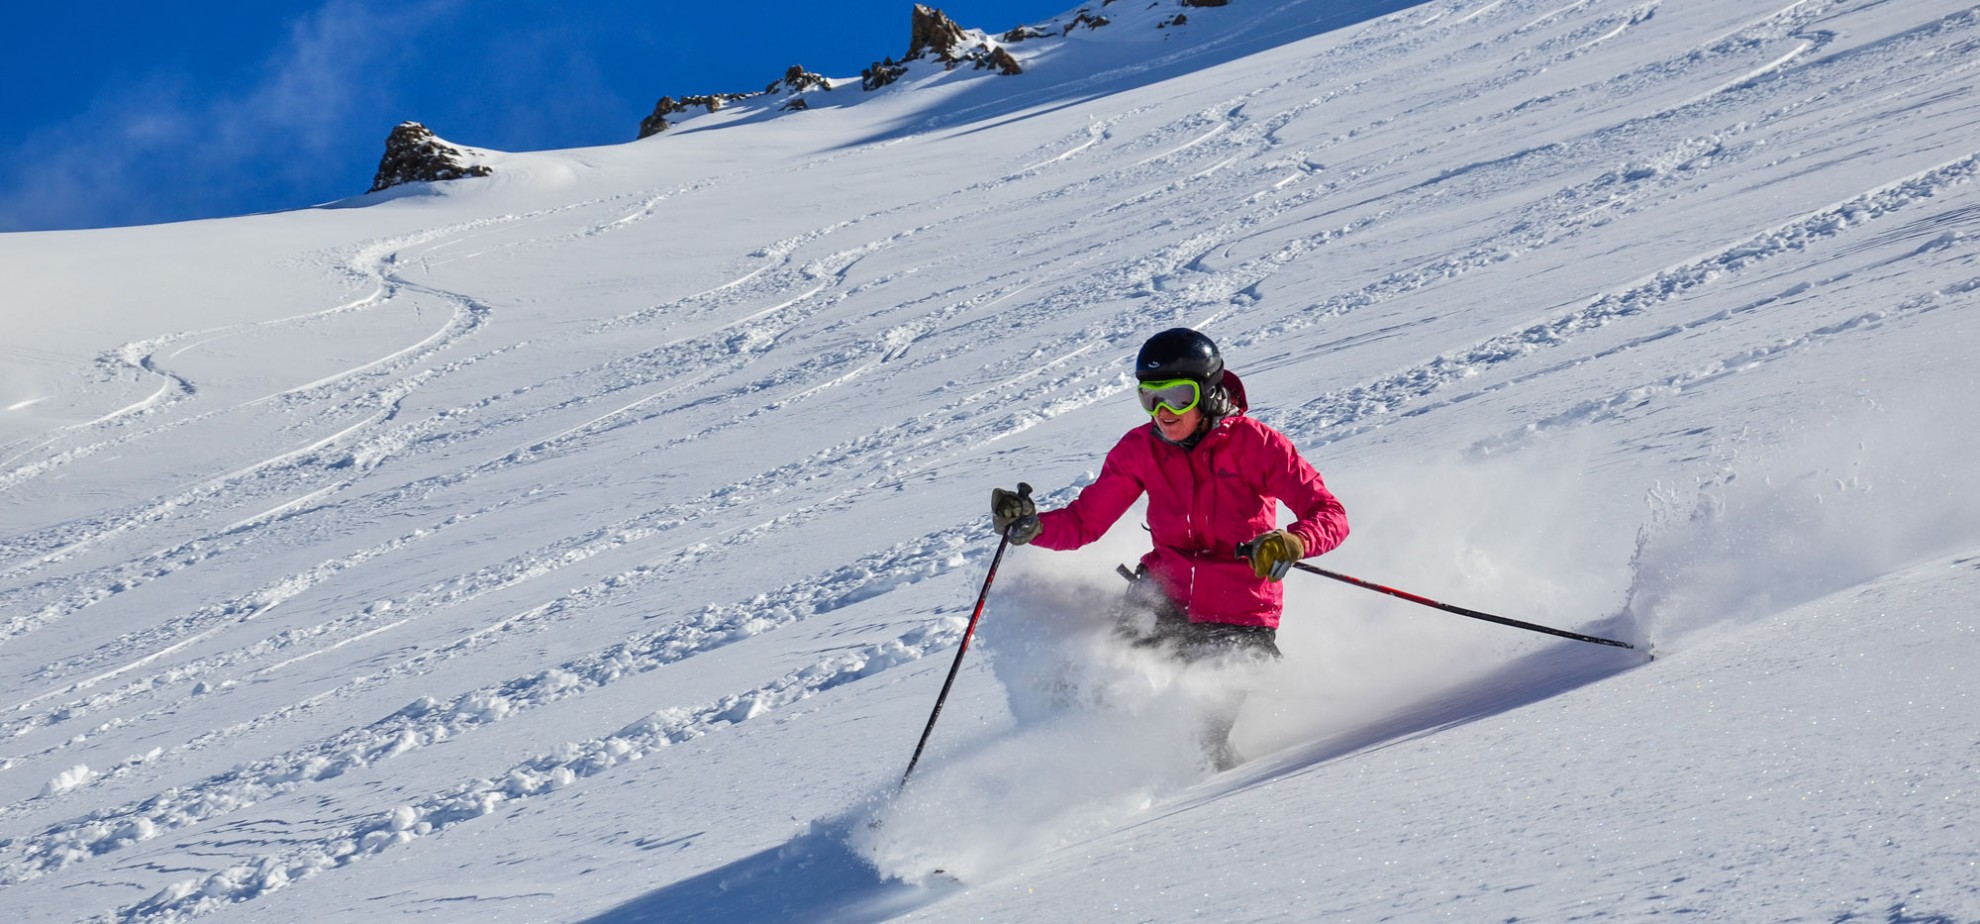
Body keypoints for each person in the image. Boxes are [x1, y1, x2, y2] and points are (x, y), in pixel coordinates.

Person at [990, 327, 1348, 768]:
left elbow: (1329, 513)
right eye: (1149, 397)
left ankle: (1209, 802)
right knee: (1099, 705)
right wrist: (1032, 526)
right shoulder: (1139, 449)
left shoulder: (1257, 445)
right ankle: (1052, 777)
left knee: (1194, 742)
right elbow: (1085, 523)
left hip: (1238, 618)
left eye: (1178, 396)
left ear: (1210, 393)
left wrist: (1294, 540)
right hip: (1161, 599)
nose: (1162, 412)